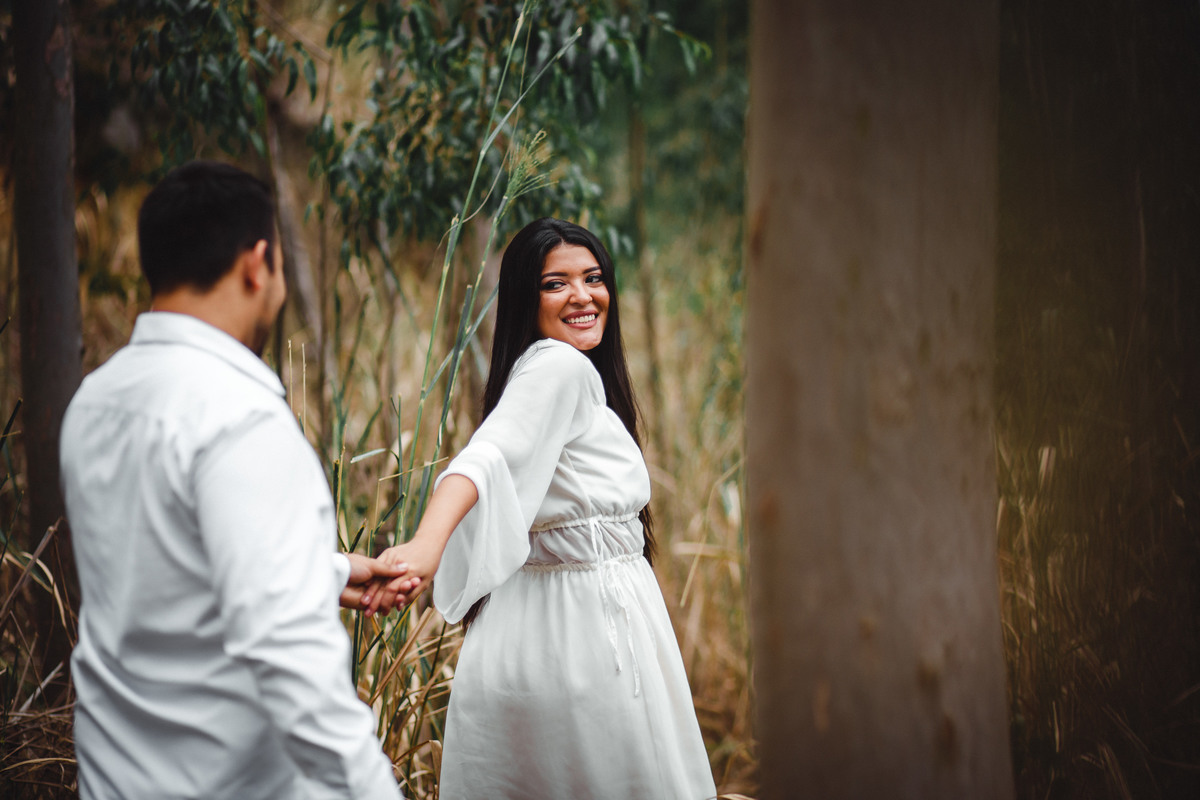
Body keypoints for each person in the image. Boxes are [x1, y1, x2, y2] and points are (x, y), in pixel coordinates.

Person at [60, 161, 410, 800]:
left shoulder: (95, 401)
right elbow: (291, 663)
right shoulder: (241, 419)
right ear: (258, 264)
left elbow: (162, 564)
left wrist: (326, 571)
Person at [378, 217, 718, 799]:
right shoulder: (558, 367)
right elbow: (484, 459)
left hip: (547, 629)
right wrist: (423, 549)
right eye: (555, 283)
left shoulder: (561, 375)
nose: (582, 296)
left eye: (592, 278)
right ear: (523, 299)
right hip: (580, 643)